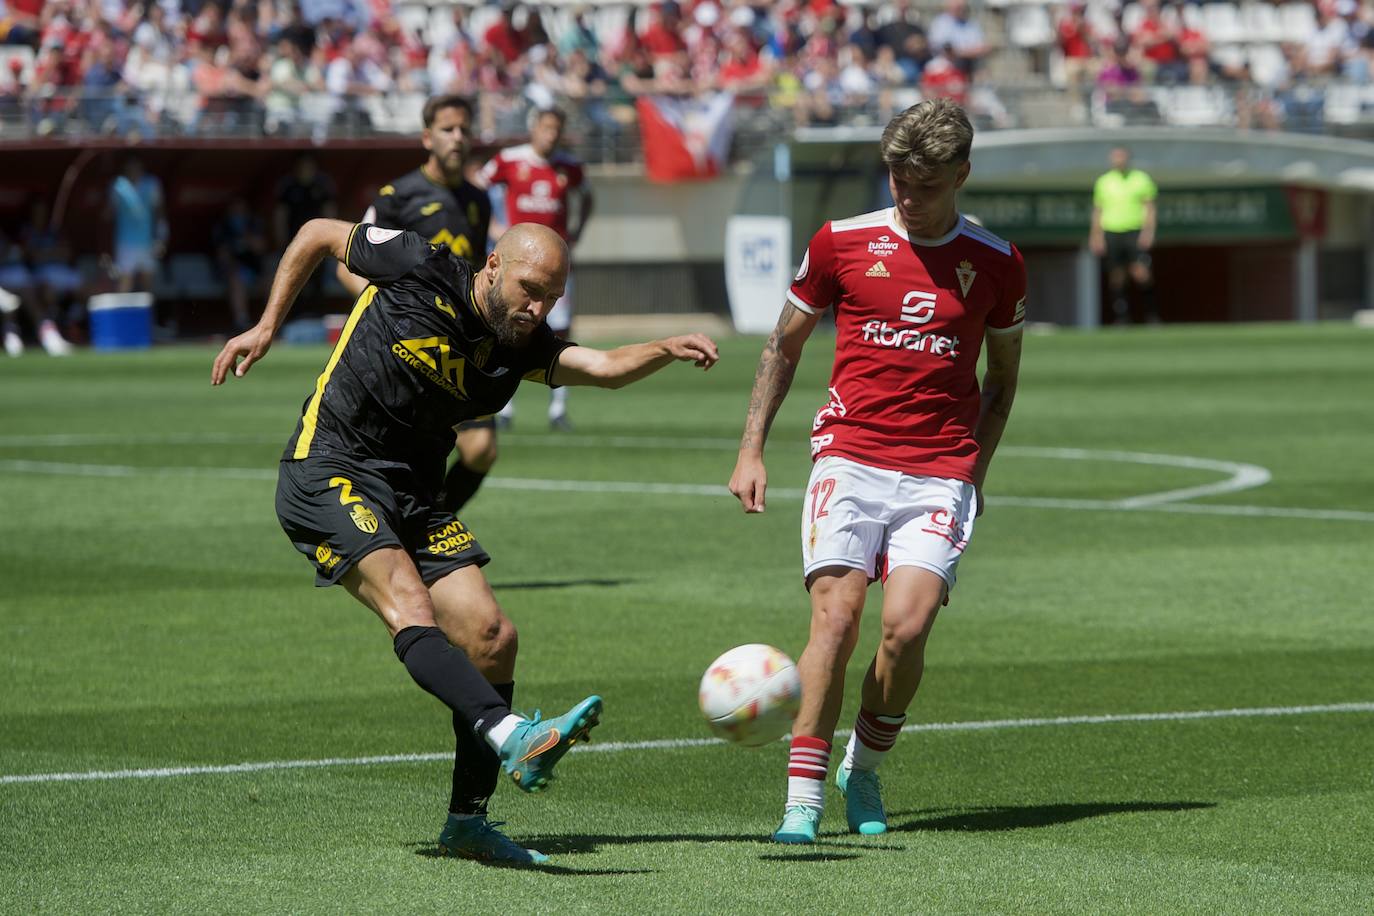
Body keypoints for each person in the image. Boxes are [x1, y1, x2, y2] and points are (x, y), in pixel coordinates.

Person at [213, 217, 718, 864]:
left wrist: (664, 346)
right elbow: (313, 231)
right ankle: (514, 735)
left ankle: (467, 822)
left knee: (491, 637)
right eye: (530, 289)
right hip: (330, 467)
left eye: (552, 298)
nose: (538, 309)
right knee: (410, 607)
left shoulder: (520, 347)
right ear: (492, 266)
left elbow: (604, 366)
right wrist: (266, 327)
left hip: (415, 496)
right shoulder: (417, 264)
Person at [727, 100, 1025, 845]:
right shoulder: (841, 242)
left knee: (906, 628)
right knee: (836, 619)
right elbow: (782, 345)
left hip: (940, 470)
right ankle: (802, 799)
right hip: (849, 456)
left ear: (961, 174)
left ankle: (862, 764)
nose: (907, 195)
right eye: (897, 178)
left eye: (924, 183)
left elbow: (1002, 381)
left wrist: (975, 474)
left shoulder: (997, 262)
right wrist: (751, 447)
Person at [335, 94, 497, 517]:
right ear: (428, 137)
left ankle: (432, 522)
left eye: (464, 129)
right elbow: (346, 266)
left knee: (480, 449)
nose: (457, 138)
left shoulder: (478, 201)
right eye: (447, 129)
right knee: (406, 456)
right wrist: (391, 314)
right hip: (405, 349)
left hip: (457, 347)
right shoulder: (396, 198)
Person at [478, 107, 594, 431]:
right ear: (533, 129)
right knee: (506, 326)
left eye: (556, 128)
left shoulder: (569, 167)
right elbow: (477, 185)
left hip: (555, 267)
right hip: (519, 265)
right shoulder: (510, 160)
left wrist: (577, 230)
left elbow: (587, 198)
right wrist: (494, 227)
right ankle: (503, 408)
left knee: (561, 329)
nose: (551, 134)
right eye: (546, 127)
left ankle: (558, 407)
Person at [1089, 146, 1158, 324]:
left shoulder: (1141, 179)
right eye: (1115, 157)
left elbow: (1150, 208)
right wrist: (1096, 236)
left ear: (1127, 159)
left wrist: (1148, 232)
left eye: (1121, 157)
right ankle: (1122, 317)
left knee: (1141, 273)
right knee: (1117, 276)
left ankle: (1151, 315)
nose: (1118, 160)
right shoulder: (1103, 181)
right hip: (1111, 231)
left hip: (1134, 231)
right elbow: (1097, 210)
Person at [106, 157, 166, 295]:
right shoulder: (117, 185)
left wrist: (161, 236)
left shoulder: (152, 184)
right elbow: (108, 214)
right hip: (125, 243)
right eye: (130, 168)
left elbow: (160, 211)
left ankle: (148, 316)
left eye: (137, 167)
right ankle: (122, 315)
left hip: (148, 242)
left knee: (148, 286)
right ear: (125, 169)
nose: (134, 171)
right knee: (124, 284)